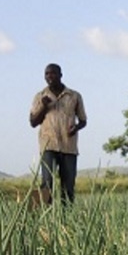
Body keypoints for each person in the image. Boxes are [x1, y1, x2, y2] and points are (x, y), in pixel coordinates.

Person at [29, 63, 86, 203]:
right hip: (48, 145)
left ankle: (67, 219)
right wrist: (43, 106)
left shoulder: (74, 96)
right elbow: (33, 122)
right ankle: (38, 216)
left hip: (69, 146)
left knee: (68, 186)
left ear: (61, 75)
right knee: (46, 182)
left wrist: (76, 128)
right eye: (47, 74)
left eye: (53, 73)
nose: (50, 76)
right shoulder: (40, 96)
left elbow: (83, 120)